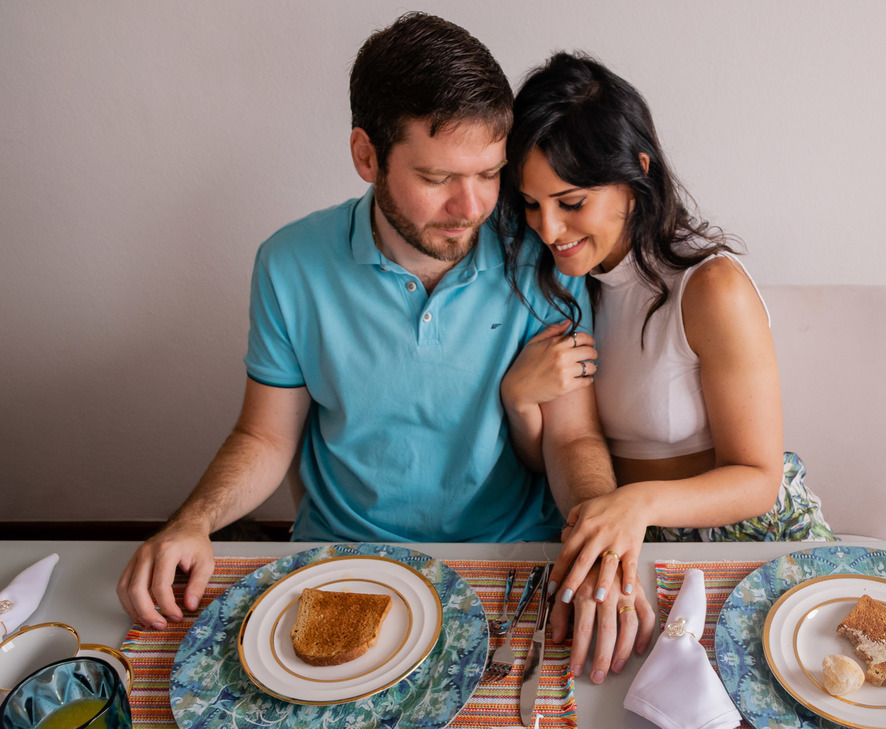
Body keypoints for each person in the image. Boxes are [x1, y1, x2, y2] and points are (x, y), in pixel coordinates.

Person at [116, 15, 654, 684]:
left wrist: (600, 544)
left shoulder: (538, 250)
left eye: (489, 174)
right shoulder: (289, 264)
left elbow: (573, 441)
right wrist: (192, 522)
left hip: (507, 563)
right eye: (437, 179)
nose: (472, 207)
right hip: (343, 559)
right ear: (366, 156)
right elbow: (264, 435)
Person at [498, 52, 835, 616]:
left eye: (571, 202)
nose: (548, 229)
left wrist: (638, 503)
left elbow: (757, 477)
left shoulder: (710, 289)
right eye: (531, 204)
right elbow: (565, 449)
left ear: (638, 174)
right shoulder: (561, 285)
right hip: (634, 536)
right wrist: (520, 401)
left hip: (747, 534)